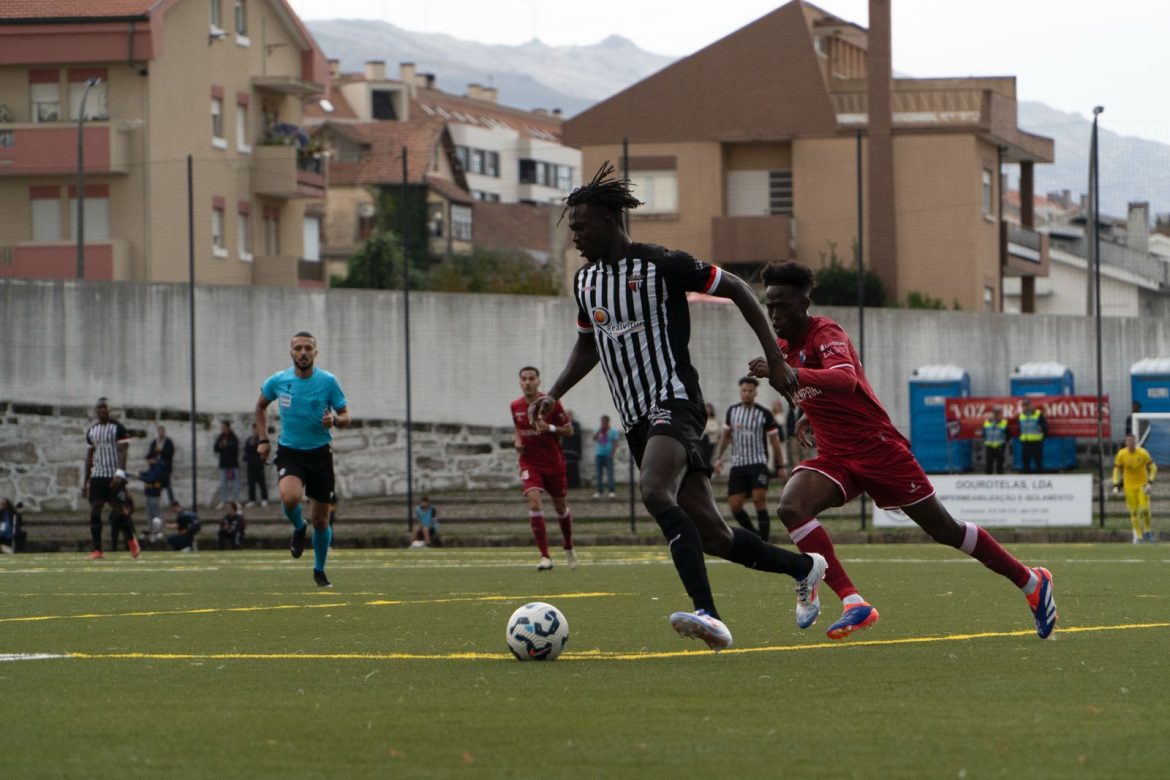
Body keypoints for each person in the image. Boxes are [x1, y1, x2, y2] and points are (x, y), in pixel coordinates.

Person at [531, 162, 824, 651]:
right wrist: (554, 393)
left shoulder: (662, 264)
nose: (574, 236)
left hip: (675, 402)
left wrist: (774, 358)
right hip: (635, 419)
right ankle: (803, 567)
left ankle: (709, 614)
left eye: (580, 226)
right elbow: (589, 345)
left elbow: (738, 288)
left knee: (652, 491)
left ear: (609, 221)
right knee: (713, 534)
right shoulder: (586, 284)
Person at [747, 260, 1056, 641]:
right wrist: (807, 416)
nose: (775, 314)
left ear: (804, 301)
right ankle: (853, 601)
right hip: (836, 456)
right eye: (770, 306)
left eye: (783, 306)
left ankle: (1030, 581)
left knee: (945, 529)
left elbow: (844, 379)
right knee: (791, 507)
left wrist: (794, 376)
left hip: (879, 450)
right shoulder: (784, 350)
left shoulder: (826, 332)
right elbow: (819, 392)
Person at [255, 331, 350, 588]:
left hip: (319, 454)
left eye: (308, 348)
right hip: (291, 452)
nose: (303, 352)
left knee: (321, 520)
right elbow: (260, 407)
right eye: (298, 348)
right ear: (291, 352)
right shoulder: (278, 381)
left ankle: (319, 571)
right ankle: (298, 526)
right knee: (290, 497)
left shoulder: (328, 382)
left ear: (315, 353)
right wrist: (263, 440)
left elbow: (345, 415)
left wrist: (336, 420)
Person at [511, 366, 577, 571]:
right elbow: (518, 428)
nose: (528, 382)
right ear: (520, 382)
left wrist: (549, 428)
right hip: (530, 462)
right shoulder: (515, 406)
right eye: (524, 379)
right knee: (534, 502)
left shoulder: (550, 404)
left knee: (560, 507)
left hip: (553, 463)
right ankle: (545, 556)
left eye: (532, 378)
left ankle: (568, 546)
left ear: (538, 381)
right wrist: (517, 442)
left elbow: (569, 430)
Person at [714, 376, 787, 541]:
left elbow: (775, 442)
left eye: (750, 391)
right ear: (740, 392)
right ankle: (756, 538)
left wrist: (781, 466)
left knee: (758, 500)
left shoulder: (765, 414)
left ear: (755, 393)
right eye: (744, 391)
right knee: (735, 505)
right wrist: (718, 457)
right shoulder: (732, 412)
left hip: (758, 463)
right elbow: (725, 437)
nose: (747, 394)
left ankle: (765, 542)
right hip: (738, 464)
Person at [83, 397, 140, 559]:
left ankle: (132, 542)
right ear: (96, 411)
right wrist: (85, 480)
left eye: (105, 408)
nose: (102, 410)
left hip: (115, 477)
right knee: (95, 509)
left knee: (119, 511)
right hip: (98, 476)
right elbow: (89, 456)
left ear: (109, 410)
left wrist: (120, 473)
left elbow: (123, 451)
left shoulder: (118, 428)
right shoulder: (91, 431)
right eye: (99, 408)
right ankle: (97, 550)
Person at [1113, 434, 1157, 543]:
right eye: (1128, 441)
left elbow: (1153, 467)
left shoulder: (1143, 453)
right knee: (1133, 512)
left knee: (1145, 509)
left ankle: (1147, 531)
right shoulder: (1121, 454)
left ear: (1135, 442)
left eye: (1132, 441)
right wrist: (1115, 485)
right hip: (1129, 487)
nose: (1130, 444)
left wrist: (1150, 483)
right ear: (1126, 442)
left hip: (1142, 485)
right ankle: (1139, 537)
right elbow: (1116, 470)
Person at [212, 421, 240, 508]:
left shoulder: (233, 437)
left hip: (232, 465)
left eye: (224, 427)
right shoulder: (220, 437)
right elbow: (216, 448)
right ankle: (223, 501)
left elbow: (234, 448)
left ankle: (236, 501)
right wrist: (221, 446)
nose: (222, 429)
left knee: (234, 484)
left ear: (228, 427)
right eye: (222, 428)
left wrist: (226, 445)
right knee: (223, 484)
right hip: (223, 464)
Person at [146, 426, 177, 505]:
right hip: (156, 467)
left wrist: (161, 451)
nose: (161, 433)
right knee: (157, 485)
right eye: (159, 431)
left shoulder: (168, 442)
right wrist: (154, 455)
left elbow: (170, 453)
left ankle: (172, 501)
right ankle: (156, 500)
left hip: (165, 467)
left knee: (167, 485)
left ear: (164, 432)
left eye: (162, 431)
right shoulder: (155, 442)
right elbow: (150, 454)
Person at [592, 415, 621, 498]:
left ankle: (612, 491)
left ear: (608, 422)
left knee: (610, 474)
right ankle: (599, 491)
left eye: (604, 422)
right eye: (602, 422)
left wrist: (612, 453)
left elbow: (615, 442)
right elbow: (594, 438)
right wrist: (599, 430)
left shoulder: (613, 431)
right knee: (598, 474)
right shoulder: (598, 430)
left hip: (608, 455)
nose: (603, 423)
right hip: (599, 454)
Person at [1017, 398, 1047, 474]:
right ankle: (1027, 478)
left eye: (1027, 405)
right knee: (1026, 463)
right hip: (1025, 442)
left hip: (1036, 442)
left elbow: (1045, 427)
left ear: (1031, 405)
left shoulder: (1038, 414)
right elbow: (1019, 428)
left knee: (1038, 462)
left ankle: (1040, 478)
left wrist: (1042, 438)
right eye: (1024, 405)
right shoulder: (1020, 415)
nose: (1025, 407)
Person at [243, 422, 270, 507]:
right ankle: (252, 500)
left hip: (259, 464)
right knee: (251, 483)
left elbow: (263, 450)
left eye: (257, 429)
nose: (255, 431)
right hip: (250, 465)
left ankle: (264, 499)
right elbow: (246, 450)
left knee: (262, 482)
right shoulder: (249, 440)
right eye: (254, 429)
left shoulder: (262, 440)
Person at [982, 406, 1010, 474]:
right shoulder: (986, 422)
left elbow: (1008, 434)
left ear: (1001, 414)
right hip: (989, 446)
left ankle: (999, 477)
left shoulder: (1004, 422)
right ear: (992, 413)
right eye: (995, 413)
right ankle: (988, 478)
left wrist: (1004, 442)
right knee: (989, 464)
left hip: (1000, 446)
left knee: (1000, 465)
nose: (996, 415)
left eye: (998, 413)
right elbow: (984, 434)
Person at [561, 410, 584, 489]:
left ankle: (576, 484)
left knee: (574, 468)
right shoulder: (563, 425)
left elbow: (576, 436)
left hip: (574, 450)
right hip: (565, 450)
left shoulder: (575, 424)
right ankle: (568, 484)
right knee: (566, 469)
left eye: (568, 415)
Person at [699, 402, 720, 468]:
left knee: (708, 455)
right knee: (702, 455)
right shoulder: (701, 419)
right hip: (702, 439)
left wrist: (707, 429)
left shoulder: (714, 420)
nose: (707, 410)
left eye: (709, 409)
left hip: (711, 440)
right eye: (706, 408)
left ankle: (709, 468)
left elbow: (715, 429)